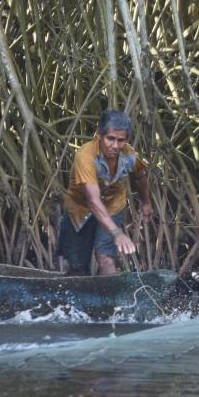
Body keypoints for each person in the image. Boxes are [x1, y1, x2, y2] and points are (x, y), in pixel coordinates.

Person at [57, 109, 153, 275]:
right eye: (110, 139)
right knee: (77, 266)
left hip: (112, 206)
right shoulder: (86, 156)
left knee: (106, 258)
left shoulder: (129, 154)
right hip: (80, 209)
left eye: (121, 140)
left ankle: (111, 299)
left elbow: (139, 177)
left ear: (127, 140)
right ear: (99, 135)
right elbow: (93, 201)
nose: (115, 146)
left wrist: (146, 202)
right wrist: (117, 233)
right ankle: (80, 295)